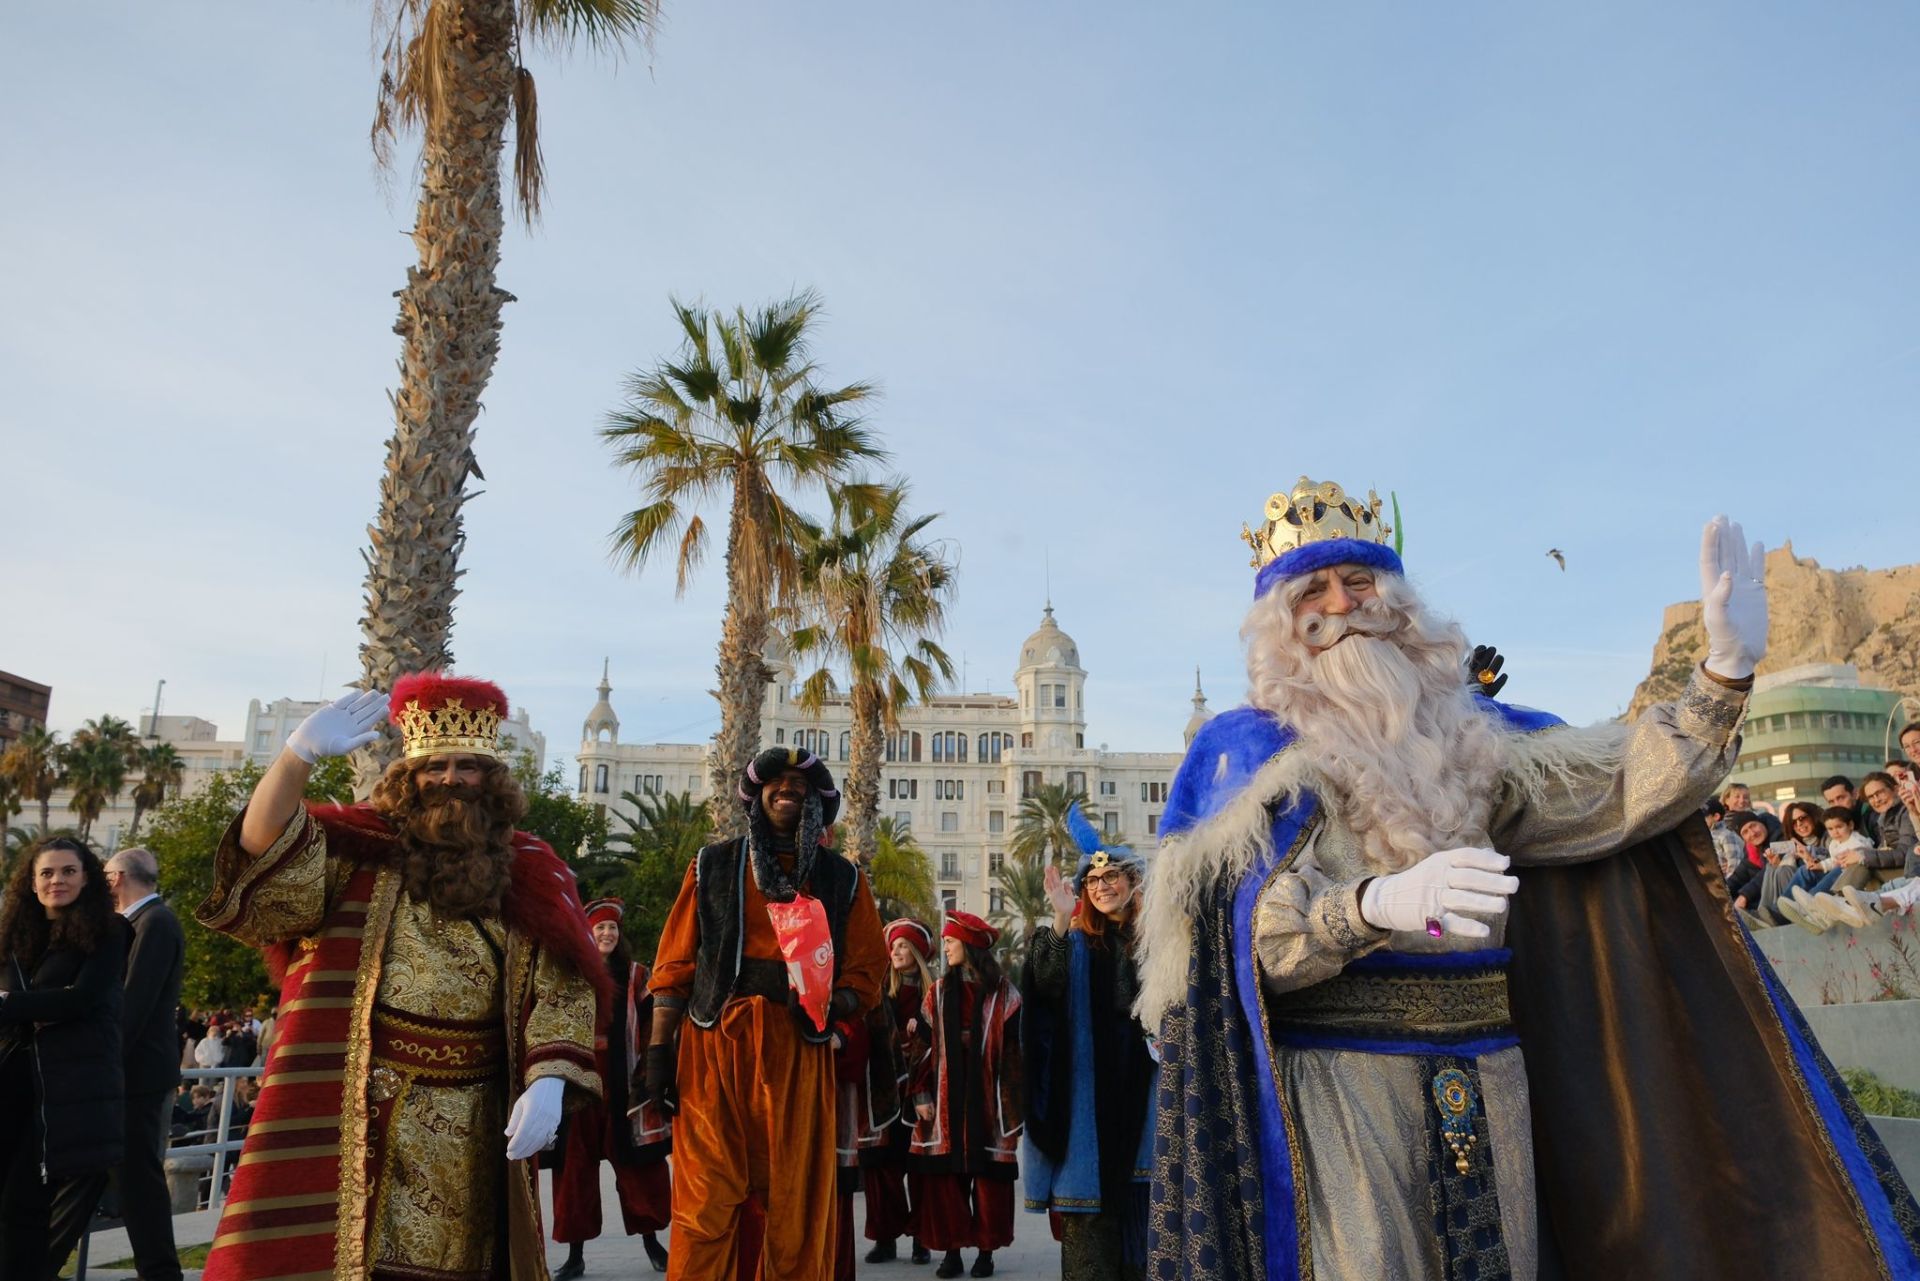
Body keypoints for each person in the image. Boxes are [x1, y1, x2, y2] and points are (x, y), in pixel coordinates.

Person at [1137, 482, 1920, 1278]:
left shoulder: (1472, 741)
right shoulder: (1250, 753)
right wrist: (1374, 903)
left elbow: (1611, 796)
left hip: (1491, 1070)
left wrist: (1722, 673)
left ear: (1399, 601)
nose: (1343, 605)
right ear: (1282, 624)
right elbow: (1248, 946)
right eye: (1314, 589)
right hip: (1343, 1089)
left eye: (1361, 581)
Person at [194, 674, 606, 1281]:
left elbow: (565, 983)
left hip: (473, 1111)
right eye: (434, 765)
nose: (449, 778)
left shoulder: (535, 868)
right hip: (356, 1095)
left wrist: (550, 1075)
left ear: (490, 778)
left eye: (467, 765)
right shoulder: (355, 851)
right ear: (408, 776)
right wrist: (294, 758)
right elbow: (262, 853)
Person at [646, 746, 887, 1281]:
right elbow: (676, 963)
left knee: (793, 1197)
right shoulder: (713, 864)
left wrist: (830, 1006)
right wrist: (659, 1052)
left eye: (798, 786)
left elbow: (868, 973)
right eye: (775, 783)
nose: (786, 790)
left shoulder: (843, 879)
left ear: (815, 802)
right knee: (706, 1197)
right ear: (756, 796)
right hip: (714, 1048)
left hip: (797, 1051)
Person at [1022, 805, 1156, 1281]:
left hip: (1148, 1111)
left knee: (1149, 1245)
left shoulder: (1158, 942)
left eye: (1111, 877)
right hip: (1089, 1114)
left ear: (1132, 883)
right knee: (1090, 1260)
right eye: (1092, 883)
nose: (1101, 887)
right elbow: (1044, 986)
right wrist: (1059, 921)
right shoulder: (1074, 943)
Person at [44, 845, 188, 1281]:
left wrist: (98, 1068)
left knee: (136, 1182)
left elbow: (132, 1004)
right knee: (95, 1177)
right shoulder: (142, 922)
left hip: (135, 1079)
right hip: (124, 1077)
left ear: (115, 880)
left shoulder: (155, 923)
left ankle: (160, 1273)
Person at [0, 836, 130, 1281]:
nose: (57, 880)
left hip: (63, 1090)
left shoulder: (110, 931)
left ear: (87, 876)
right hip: (11, 1079)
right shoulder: (13, 936)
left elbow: (82, 1000)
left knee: (27, 1207)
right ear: (31, 883)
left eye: (68, 871)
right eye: (47, 873)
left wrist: (10, 1005)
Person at [550, 897, 671, 1278]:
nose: (606, 934)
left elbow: (654, 1023)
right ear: (586, 933)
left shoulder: (636, 975)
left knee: (637, 1169)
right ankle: (575, 1255)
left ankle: (652, 1244)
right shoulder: (569, 974)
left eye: (612, 928)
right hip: (578, 1085)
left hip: (624, 1084)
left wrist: (650, 1074)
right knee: (574, 1172)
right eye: (600, 927)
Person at [910, 911, 1023, 1279]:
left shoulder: (1006, 995)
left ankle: (986, 1253)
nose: (945, 947)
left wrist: (1012, 1112)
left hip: (990, 1103)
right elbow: (922, 1047)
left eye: (950, 940)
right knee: (947, 1184)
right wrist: (920, 1092)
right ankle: (952, 1252)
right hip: (945, 1103)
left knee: (990, 1186)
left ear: (970, 945)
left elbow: (1014, 1055)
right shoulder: (938, 992)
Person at [864, 919, 935, 1266]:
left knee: (919, 1169)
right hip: (884, 1092)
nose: (897, 952)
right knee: (882, 1170)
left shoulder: (933, 993)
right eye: (894, 947)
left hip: (920, 1093)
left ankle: (921, 1239)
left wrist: (922, 1031)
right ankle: (885, 1237)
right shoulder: (878, 992)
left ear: (918, 953)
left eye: (904, 946)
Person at [1822, 774, 1879, 846]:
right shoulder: (1833, 822)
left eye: (1841, 798)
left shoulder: (1873, 814)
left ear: (1855, 794)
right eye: (1831, 802)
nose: (1837, 804)